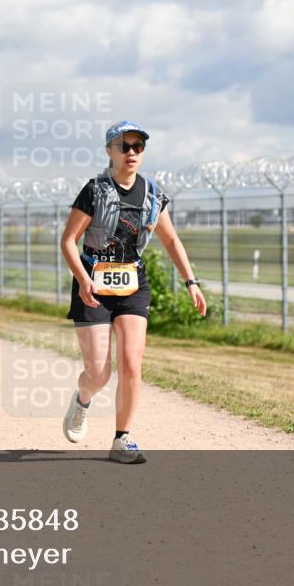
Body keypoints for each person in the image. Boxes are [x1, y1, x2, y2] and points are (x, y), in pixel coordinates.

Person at [60, 121, 207, 464]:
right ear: (110, 150)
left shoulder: (152, 193)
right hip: (92, 284)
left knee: (131, 363)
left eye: (137, 147)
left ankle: (121, 439)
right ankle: (83, 398)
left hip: (132, 284)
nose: (130, 153)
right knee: (99, 372)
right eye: (123, 146)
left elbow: (171, 239)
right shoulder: (95, 190)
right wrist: (82, 279)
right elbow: (68, 241)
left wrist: (191, 282)